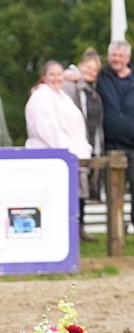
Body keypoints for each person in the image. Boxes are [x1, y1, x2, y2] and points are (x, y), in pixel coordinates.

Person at [25, 60, 92, 239]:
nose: (56, 78)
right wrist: (69, 153)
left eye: (59, 74)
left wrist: (83, 150)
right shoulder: (40, 97)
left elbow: (77, 128)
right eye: (52, 74)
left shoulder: (63, 96)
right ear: (44, 77)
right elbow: (49, 131)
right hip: (50, 159)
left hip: (69, 159)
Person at [62, 50, 105, 231]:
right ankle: (72, 228)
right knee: (74, 185)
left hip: (90, 142)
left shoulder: (93, 89)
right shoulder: (70, 84)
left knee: (84, 185)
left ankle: (81, 227)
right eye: (88, 67)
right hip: (73, 142)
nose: (91, 72)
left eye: (95, 70)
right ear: (80, 65)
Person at [96, 40, 134, 232]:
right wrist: (71, 72)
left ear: (128, 58)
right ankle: (115, 228)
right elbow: (82, 71)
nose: (117, 59)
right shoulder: (102, 75)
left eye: (121, 55)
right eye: (114, 55)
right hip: (111, 145)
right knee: (114, 190)